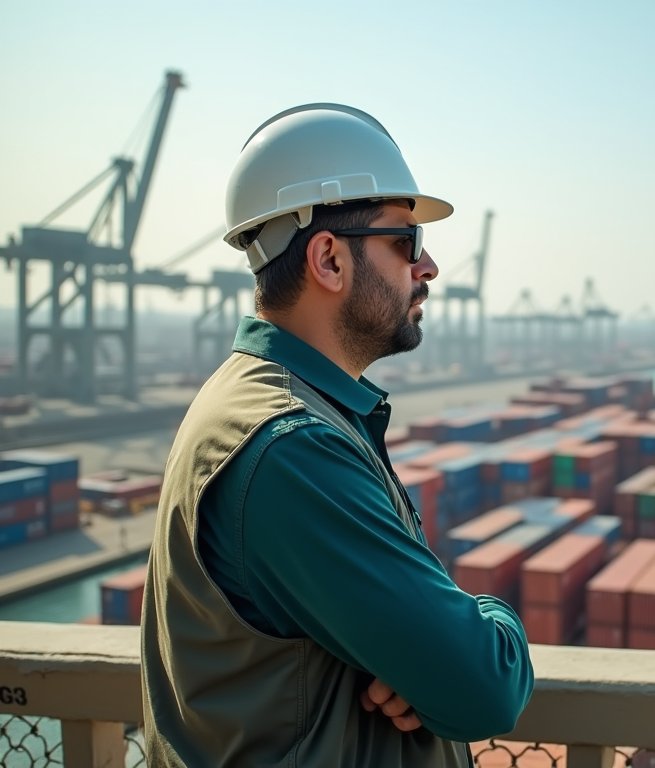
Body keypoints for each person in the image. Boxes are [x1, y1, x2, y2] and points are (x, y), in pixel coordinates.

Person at [141, 105, 534, 768]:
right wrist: (490, 618)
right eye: (406, 241)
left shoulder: (257, 401)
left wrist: (422, 663)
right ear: (329, 259)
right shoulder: (292, 448)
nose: (429, 265)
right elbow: (485, 688)